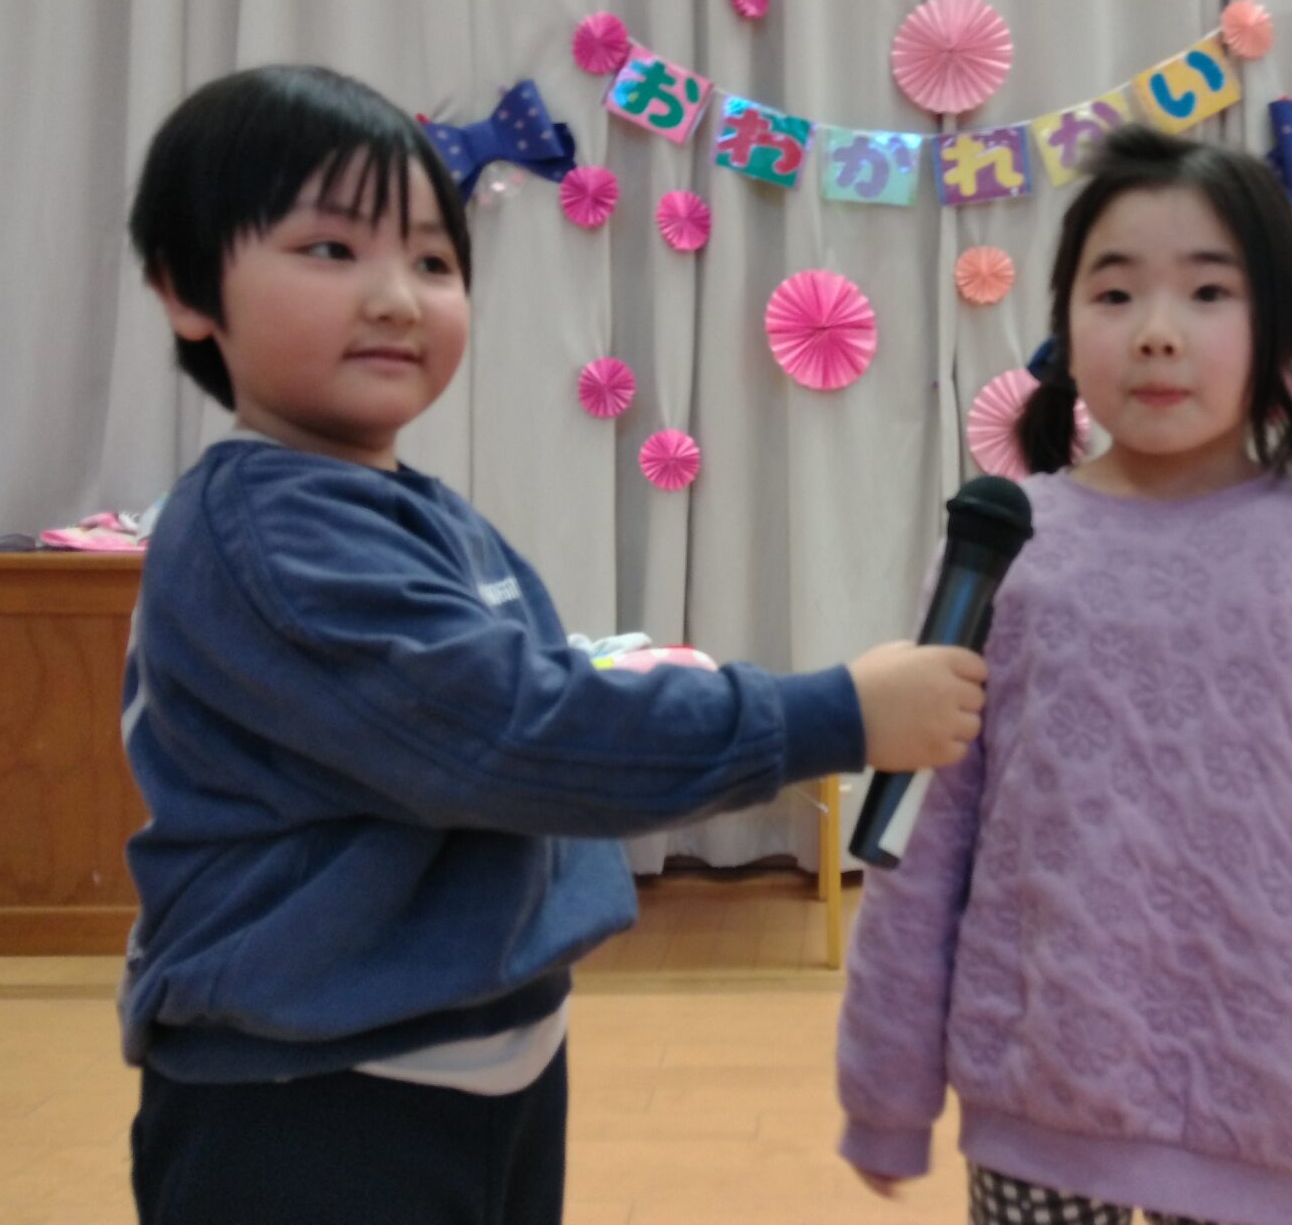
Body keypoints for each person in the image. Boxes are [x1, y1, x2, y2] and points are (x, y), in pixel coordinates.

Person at [118, 63, 986, 1224]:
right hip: (313, 1101)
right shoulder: (271, 533)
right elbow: (507, 733)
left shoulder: (405, 509)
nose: (397, 299)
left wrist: (612, 675)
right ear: (188, 289)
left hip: (478, 1060)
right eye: (331, 250)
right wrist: (835, 714)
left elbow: (513, 693)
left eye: (434, 262)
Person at [836, 124, 1292, 1225]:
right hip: (1039, 1109)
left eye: (1207, 292)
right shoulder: (1007, 548)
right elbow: (923, 835)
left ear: (1281, 326)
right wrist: (885, 1090)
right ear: (1063, 326)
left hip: (1265, 1120)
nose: (1155, 331)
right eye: (1114, 293)